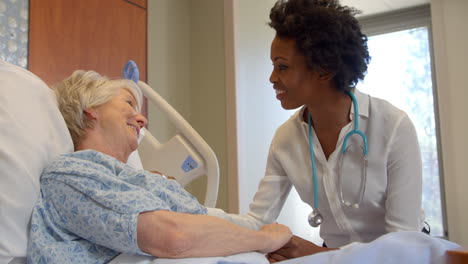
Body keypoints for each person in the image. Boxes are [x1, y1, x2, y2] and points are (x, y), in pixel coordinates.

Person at [208, 0, 425, 261]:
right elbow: (257, 221)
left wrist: (318, 255)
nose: (272, 78)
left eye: (282, 67)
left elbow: (403, 244)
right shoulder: (286, 139)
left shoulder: (392, 127)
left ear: (324, 70)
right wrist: (195, 213)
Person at [27, 70, 292, 264]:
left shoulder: (127, 179)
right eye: (129, 104)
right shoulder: (68, 175)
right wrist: (264, 240)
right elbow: (172, 236)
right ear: (91, 108)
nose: (142, 119)